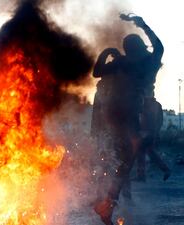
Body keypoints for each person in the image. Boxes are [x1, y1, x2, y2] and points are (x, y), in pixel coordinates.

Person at [92, 14, 164, 225]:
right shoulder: (148, 63)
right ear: (141, 46)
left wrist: (107, 53)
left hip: (116, 118)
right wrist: (142, 24)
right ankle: (106, 203)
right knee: (122, 163)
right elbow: (159, 46)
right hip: (129, 118)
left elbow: (97, 71)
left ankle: (105, 201)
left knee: (118, 161)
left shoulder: (123, 63)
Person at [135, 95, 170, 182]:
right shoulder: (157, 105)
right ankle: (165, 169)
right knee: (148, 152)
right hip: (151, 132)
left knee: (143, 152)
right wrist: (156, 131)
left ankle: (142, 175)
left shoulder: (146, 105)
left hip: (146, 132)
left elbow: (145, 119)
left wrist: (143, 130)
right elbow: (160, 120)